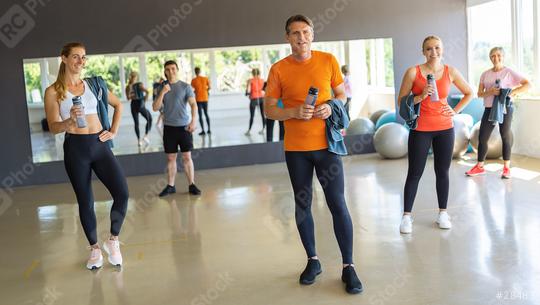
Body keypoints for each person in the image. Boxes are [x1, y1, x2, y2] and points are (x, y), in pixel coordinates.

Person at [264, 14, 362, 294]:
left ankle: (349, 267)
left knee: (337, 203)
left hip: (327, 147)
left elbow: (342, 95)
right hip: (296, 150)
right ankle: (313, 261)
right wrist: (292, 112)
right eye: (295, 33)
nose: (301, 37)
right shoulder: (278, 69)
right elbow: (269, 110)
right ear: (287, 38)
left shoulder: (328, 60)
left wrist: (331, 106)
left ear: (312, 34)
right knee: (302, 204)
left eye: (305, 32)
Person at [44, 42, 129, 269]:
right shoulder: (53, 92)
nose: (81, 61)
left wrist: (113, 131)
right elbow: (53, 127)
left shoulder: (94, 84)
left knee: (122, 193)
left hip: (100, 145)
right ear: (63, 58)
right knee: (86, 202)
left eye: (83, 57)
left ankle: (113, 240)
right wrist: (68, 121)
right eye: (75, 57)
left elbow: (118, 104)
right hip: (76, 150)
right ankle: (94, 250)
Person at [397, 35, 473, 234]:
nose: (433, 52)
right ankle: (406, 216)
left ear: (442, 49)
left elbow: (469, 92)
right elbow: (401, 102)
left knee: (443, 172)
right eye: (429, 49)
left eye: (437, 48)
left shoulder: (451, 72)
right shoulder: (413, 72)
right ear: (423, 52)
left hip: (445, 128)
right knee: (415, 173)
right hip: (421, 129)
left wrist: (455, 111)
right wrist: (421, 96)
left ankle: (443, 213)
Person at [465, 47, 530, 179]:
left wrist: (510, 93)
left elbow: (527, 84)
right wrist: (491, 92)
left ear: (503, 57)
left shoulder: (509, 72)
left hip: (505, 107)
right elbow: (479, 93)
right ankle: (479, 167)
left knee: (505, 135)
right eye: (493, 56)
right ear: (490, 58)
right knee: (483, 137)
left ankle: (506, 168)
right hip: (489, 108)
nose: (496, 58)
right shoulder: (485, 74)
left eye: (499, 55)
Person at [153, 60, 201, 196]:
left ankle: (192, 184)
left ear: (177, 70)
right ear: (165, 72)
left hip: (184, 127)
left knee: (187, 156)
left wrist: (194, 121)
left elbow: (193, 105)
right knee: (171, 158)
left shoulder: (186, 87)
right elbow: (155, 107)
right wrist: (162, 92)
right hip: (169, 128)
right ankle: (170, 186)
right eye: (167, 69)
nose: (170, 71)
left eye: (173, 69)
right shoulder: (161, 87)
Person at [125, 71, 152, 146]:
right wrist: (144, 100)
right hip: (138, 103)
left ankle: (141, 139)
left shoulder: (131, 86)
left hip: (135, 103)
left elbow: (128, 98)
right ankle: (143, 137)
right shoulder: (134, 85)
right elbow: (147, 92)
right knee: (147, 119)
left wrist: (143, 100)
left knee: (139, 122)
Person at [191, 67, 212, 136]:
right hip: (205, 98)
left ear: (195, 72)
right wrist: (206, 91)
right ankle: (209, 129)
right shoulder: (205, 78)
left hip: (198, 99)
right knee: (206, 114)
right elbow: (209, 87)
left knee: (200, 115)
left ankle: (203, 130)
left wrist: (196, 91)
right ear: (200, 71)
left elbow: (192, 89)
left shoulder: (193, 80)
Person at [245, 68, 266, 135]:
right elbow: (264, 90)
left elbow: (247, 91)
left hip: (254, 99)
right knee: (263, 115)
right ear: (259, 73)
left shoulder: (250, 81)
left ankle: (249, 130)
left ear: (252, 73)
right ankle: (263, 129)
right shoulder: (262, 80)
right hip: (261, 99)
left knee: (252, 116)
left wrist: (247, 93)